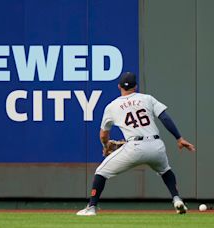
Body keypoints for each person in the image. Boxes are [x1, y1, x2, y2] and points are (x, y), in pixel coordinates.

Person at [76, 72, 196, 216]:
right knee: (165, 170)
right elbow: (164, 117)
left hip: (135, 147)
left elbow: (103, 134)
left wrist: (106, 145)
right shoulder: (147, 98)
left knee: (101, 172)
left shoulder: (112, 106)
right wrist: (179, 138)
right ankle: (176, 198)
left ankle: (91, 207)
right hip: (156, 145)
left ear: (119, 86)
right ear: (136, 86)